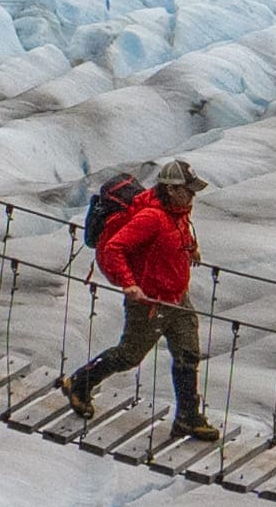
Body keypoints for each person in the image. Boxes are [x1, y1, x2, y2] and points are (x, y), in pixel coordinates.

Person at [63, 160, 211, 439]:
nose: (193, 195)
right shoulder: (151, 218)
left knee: (188, 353)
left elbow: (177, 233)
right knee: (129, 355)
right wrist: (129, 285)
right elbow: (115, 248)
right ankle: (80, 383)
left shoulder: (177, 211)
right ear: (170, 189)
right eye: (188, 190)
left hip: (177, 298)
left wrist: (191, 248)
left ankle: (188, 417)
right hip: (150, 302)